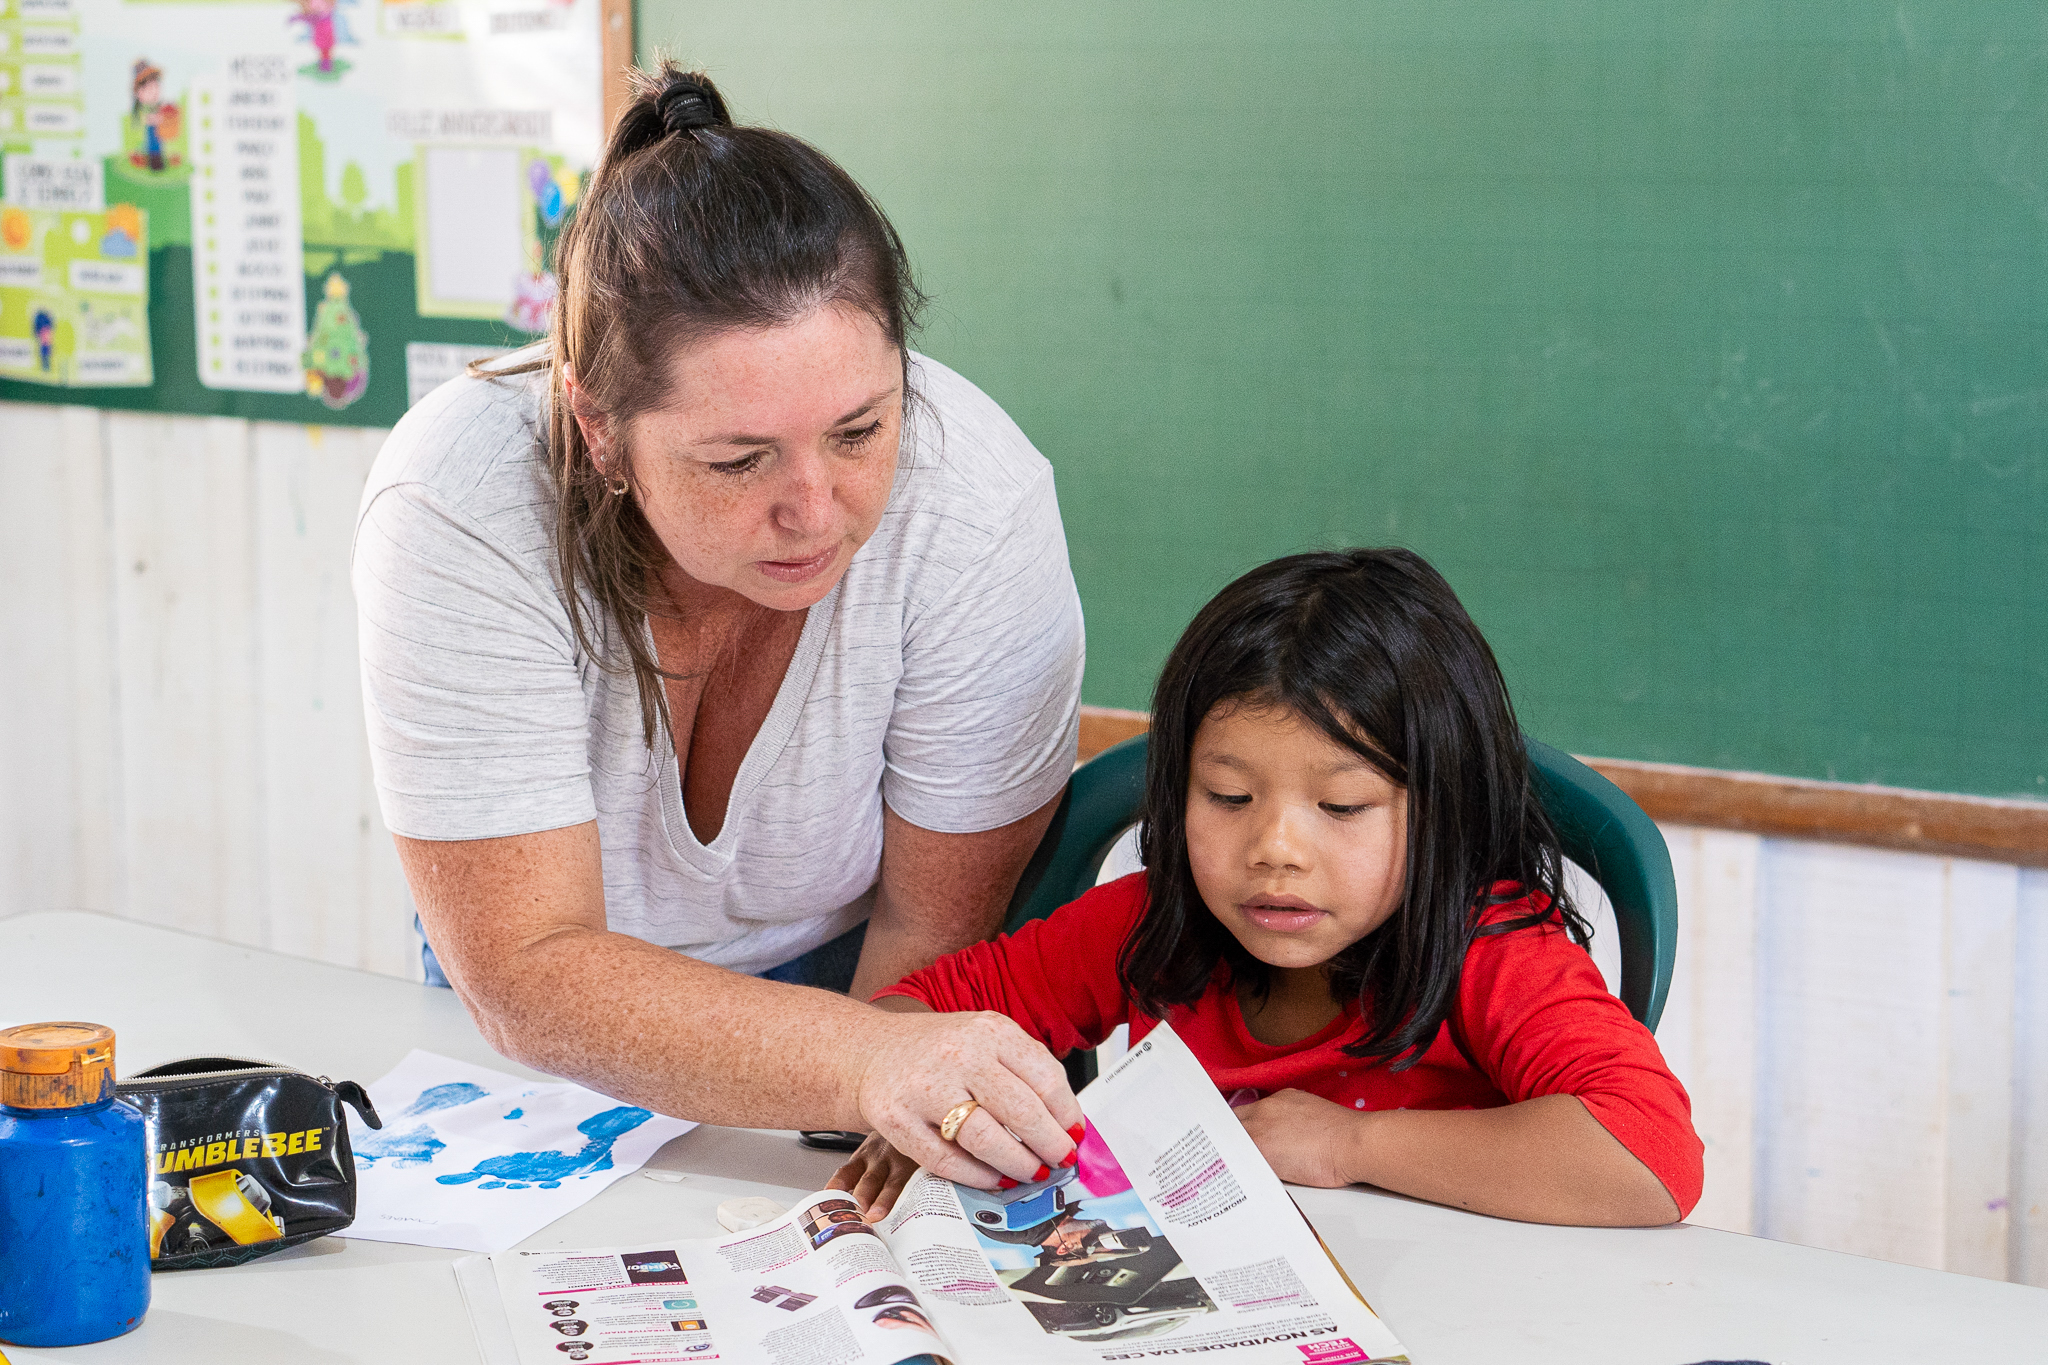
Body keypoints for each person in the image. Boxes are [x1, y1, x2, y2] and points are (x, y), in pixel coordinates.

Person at [351, 63, 1086, 1189]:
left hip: (862, 991)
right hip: (546, 1031)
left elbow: (927, 944)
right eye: (739, 461)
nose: (815, 510)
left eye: (859, 431)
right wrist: (869, 1063)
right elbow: (527, 968)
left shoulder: (976, 504)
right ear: (598, 428)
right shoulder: (459, 499)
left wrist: (861, 1147)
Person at [831, 548, 1704, 1226]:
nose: (1275, 850)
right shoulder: (1149, 922)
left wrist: (1353, 1143)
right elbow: (911, 1016)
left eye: (1343, 805)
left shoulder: (1494, 948)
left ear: (1444, 809)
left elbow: (1651, 1157)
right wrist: (931, 1102)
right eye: (1228, 796)